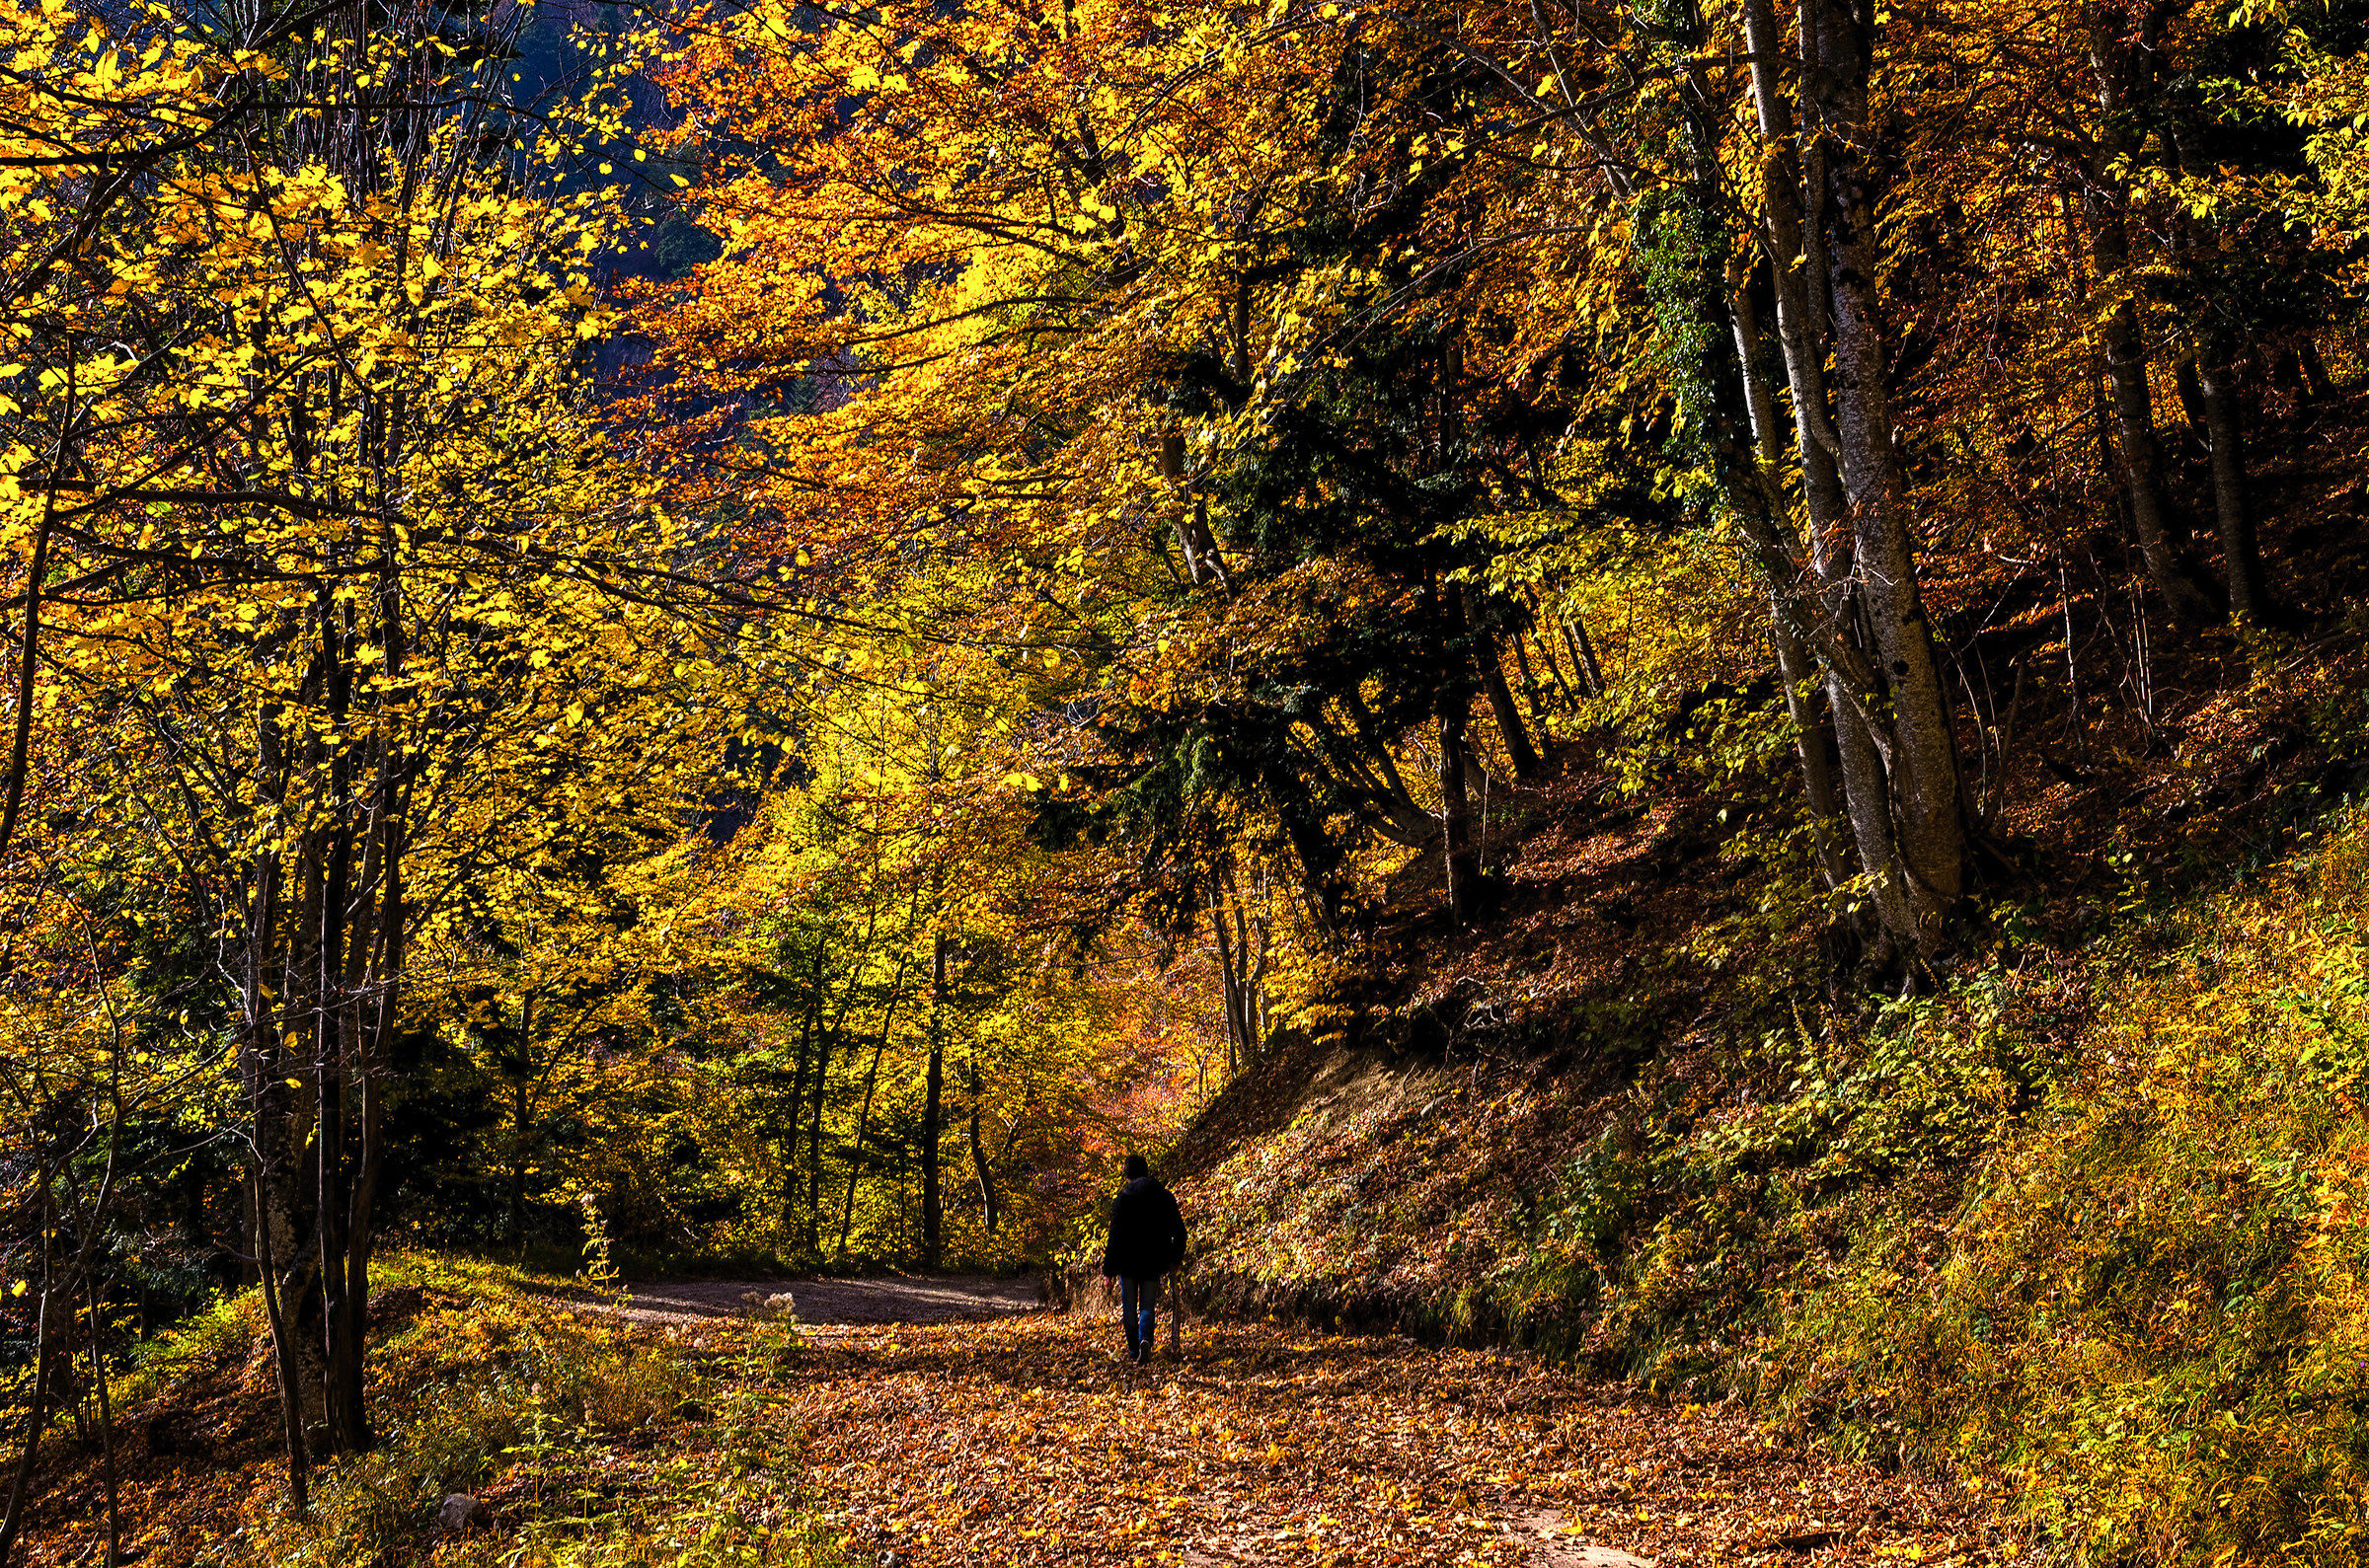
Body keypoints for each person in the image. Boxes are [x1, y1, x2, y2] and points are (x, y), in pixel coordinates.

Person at [1100, 1153, 1187, 1364]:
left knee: (1129, 1308)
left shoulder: (1122, 1200)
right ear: (1147, 1172)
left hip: (1126, 1263)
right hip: (1153, 1261)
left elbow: (1114, 1238)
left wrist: (1108, 1271)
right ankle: (1145, 1340)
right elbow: (1180, 1231)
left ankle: (1133, 1350)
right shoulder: (1164, 1197)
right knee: (1147, 1305)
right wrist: (1175, 1257)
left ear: (1127, 1175)